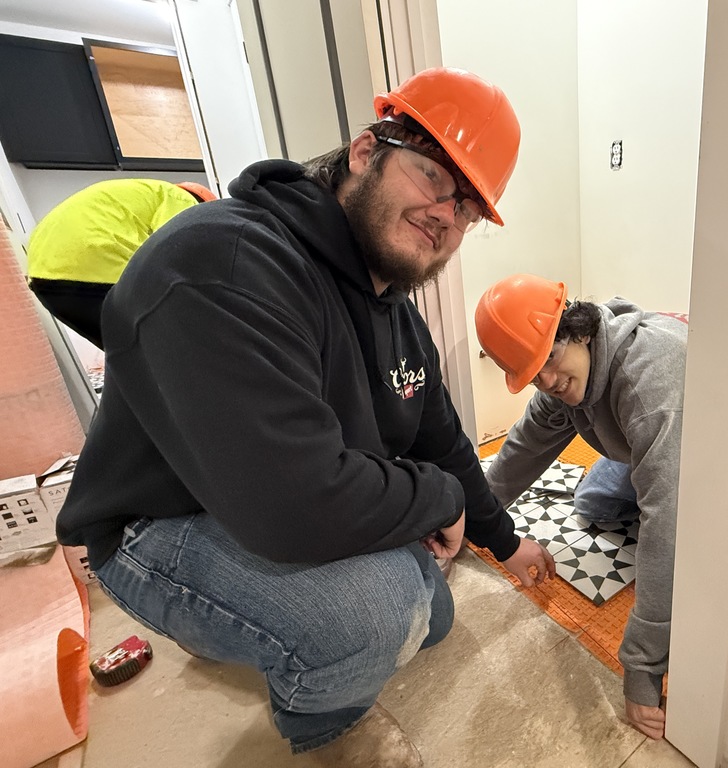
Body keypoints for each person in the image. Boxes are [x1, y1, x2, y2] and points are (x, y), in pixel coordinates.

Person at [56, 67, 555, 767]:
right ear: (365, 151)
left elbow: (442, 442)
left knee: (432, 613)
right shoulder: (224, 263)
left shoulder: (396, 316)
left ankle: (251, 623)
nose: (448, 213)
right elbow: (295, 506)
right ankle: (319, 724)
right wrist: (435, 502)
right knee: (379, 614)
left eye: (469, 207)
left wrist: (507, 544)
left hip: (266, 498)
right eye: (433, 177)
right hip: (154, 525)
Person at [475, 273, 687, 740]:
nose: (548, 381)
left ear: (580, 330)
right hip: (649, 443)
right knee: (592, 502)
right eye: (533, 374)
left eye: (550, 357)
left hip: (708, 460)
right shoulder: (565, 381)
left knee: (670, 525)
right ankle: (652, 472)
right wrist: (474, 523)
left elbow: (665, 522)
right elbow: (521, 452)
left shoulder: (647, 388)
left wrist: (642, 670)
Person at [25, 178, 217, 349]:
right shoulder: (182, 199)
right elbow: (182, 251)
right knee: (169, 345)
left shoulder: (142, 193)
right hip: (97, 264)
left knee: (127, 356)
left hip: (45, 281)